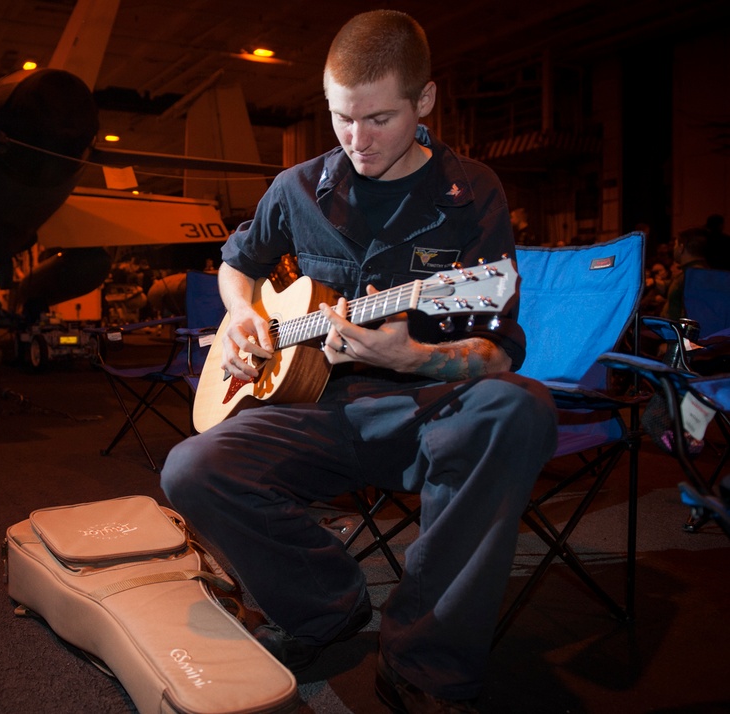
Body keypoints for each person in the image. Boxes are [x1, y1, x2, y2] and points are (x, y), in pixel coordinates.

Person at [160, 10, 558, 714]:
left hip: (431, 407)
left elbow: (498, 351)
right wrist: (244, 313)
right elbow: (235, 263)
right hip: (317, 408)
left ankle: (424, 659)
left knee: (518, 405)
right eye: (341, 118)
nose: (356, 140)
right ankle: (326, 607)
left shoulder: (472, 194)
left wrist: (413, 357)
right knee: (190, 467)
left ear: (424, 101)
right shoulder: (296, 188)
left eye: (377, 119)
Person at [661, 226, 710, 321]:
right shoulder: (705, 273)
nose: (673, 249)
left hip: (677, 333)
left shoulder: (690, 277)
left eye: (675, 245)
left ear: (681, 248)